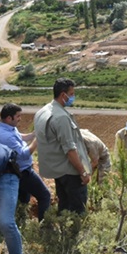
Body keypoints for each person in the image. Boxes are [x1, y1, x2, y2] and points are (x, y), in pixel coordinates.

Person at [34, 78, 92, 214]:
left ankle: (63, 233)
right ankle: (74, 234)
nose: (73, 97)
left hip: (58, 170)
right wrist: (82, 172)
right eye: (71, 94)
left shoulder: (42, 111)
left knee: (64, 206)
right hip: (71, 172)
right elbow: (70, 149)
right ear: (63, 95)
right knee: (77, 210)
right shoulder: (61, 117)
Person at [0, 103, 51, 221]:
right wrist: (37, 140)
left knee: (23, 199)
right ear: (9, 118)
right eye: (18, 116)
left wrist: (32, 134)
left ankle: (20, 221)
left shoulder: (4, 126)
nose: (20, 119)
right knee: (45, 195)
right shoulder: (5, 135)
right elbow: (24, 155)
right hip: (23, 171)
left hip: (16, 171)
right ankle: (45, 226)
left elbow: (19, 136)